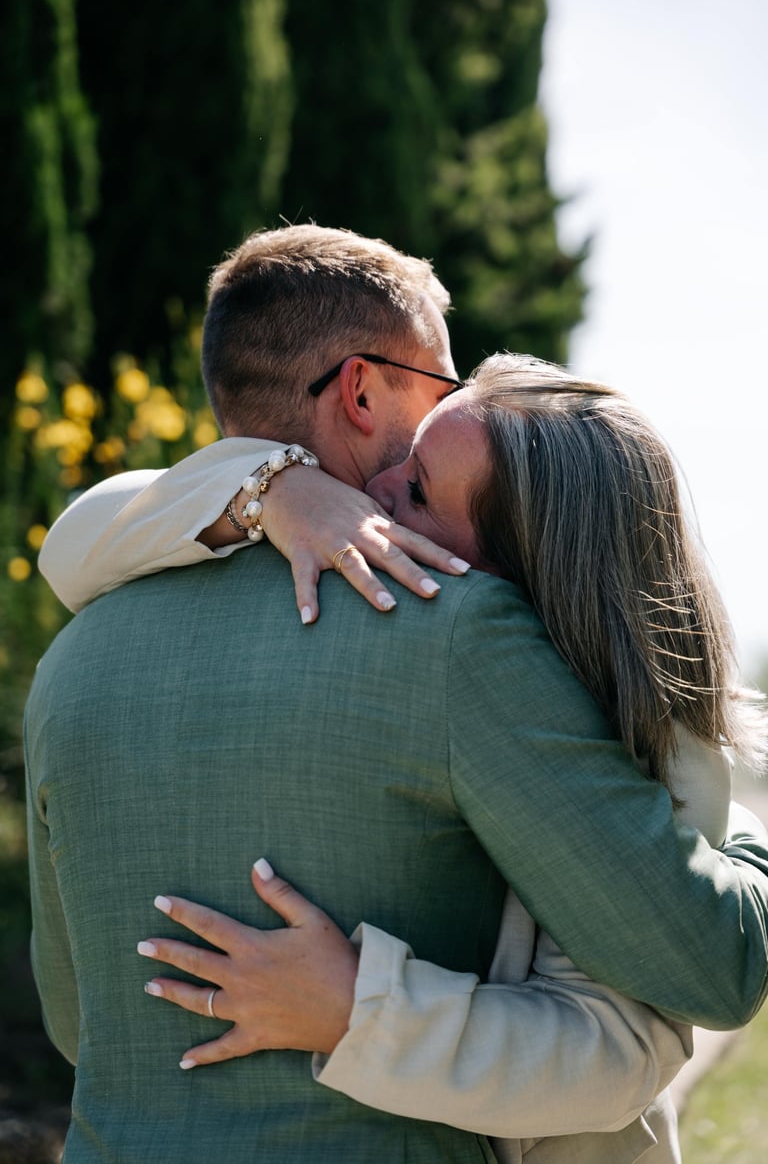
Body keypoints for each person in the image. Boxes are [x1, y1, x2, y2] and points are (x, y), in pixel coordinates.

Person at [27, 227, 768, 1164]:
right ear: (362, 390)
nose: (410, 458)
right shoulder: (462, 629)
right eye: (442, 384)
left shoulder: (73, 653)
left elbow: (79, 1020)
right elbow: (687, 980)